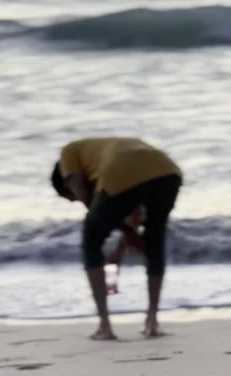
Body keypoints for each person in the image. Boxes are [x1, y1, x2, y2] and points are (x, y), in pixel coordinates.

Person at [51, 137, 182, 340]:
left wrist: (114, 225)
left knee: (91, 238)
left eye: (71, 198)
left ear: (63, 180)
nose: (76, 200)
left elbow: (83, 193)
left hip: (123, 171)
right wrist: (122, 246)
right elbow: (133, 217)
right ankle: (152, 322)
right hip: (167, 171)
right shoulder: (102, 153)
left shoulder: (69, 152)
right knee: (154, 238)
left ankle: (105, 326)